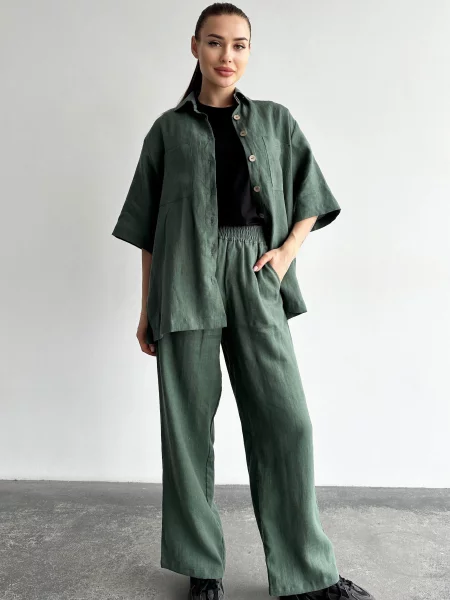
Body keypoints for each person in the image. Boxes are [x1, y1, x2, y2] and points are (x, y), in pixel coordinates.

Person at [112, 4, 376, 600]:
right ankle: (203, 569)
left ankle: (308, 573)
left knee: (288, 422)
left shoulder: (276, 121)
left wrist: (285, 254)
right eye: (214, 43)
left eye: (239, 44)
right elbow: (149, 231)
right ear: (195, 47)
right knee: (187, 428)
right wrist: (147, 308)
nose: (226, 55)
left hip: (256, 271)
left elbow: (311, 195)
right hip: (184, 278)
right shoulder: (167, 131)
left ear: (249, 51)